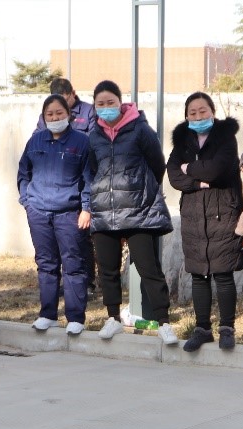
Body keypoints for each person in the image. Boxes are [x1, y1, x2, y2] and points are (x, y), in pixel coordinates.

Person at [87, 80, 178, 345]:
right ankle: (113, 318)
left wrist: (142, 191)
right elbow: (93, 170)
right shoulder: (93, 135)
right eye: (100, 104)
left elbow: (157, 164)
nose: (106, 107)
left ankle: (163, 322)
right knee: (108, 270)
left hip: (139, 211)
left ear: (120, 102)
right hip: (105, 212)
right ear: (94, 106)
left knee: (149, 269)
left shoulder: (140, 129)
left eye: (110, 102)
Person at [166, 92, 243, 352]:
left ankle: (227, 329)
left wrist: (189, 168)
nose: (198, 116)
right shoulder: (183, 141)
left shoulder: (225, 138)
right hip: (193, 216)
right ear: (186, 116)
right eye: (193, 113)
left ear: (212, 112)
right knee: (198, 274)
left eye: (203, 111)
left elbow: (217, 170)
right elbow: (173, 176)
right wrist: (199, 181)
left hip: (223, 213)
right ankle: (202, 329)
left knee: (223, 273)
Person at [18, 94, 93, 335]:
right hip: (38, 212)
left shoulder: (82, 142)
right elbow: (23, 173)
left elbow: (89, 178)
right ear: (44, 117)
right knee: (46, 264)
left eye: (59, 113)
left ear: (68, 114)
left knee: (74, 265)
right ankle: (47, 314)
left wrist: (86, 208)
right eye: (49, 114)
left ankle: (75, 317)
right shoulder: (35, 141)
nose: (54, 118)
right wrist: (27, 201)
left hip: (69, 213)